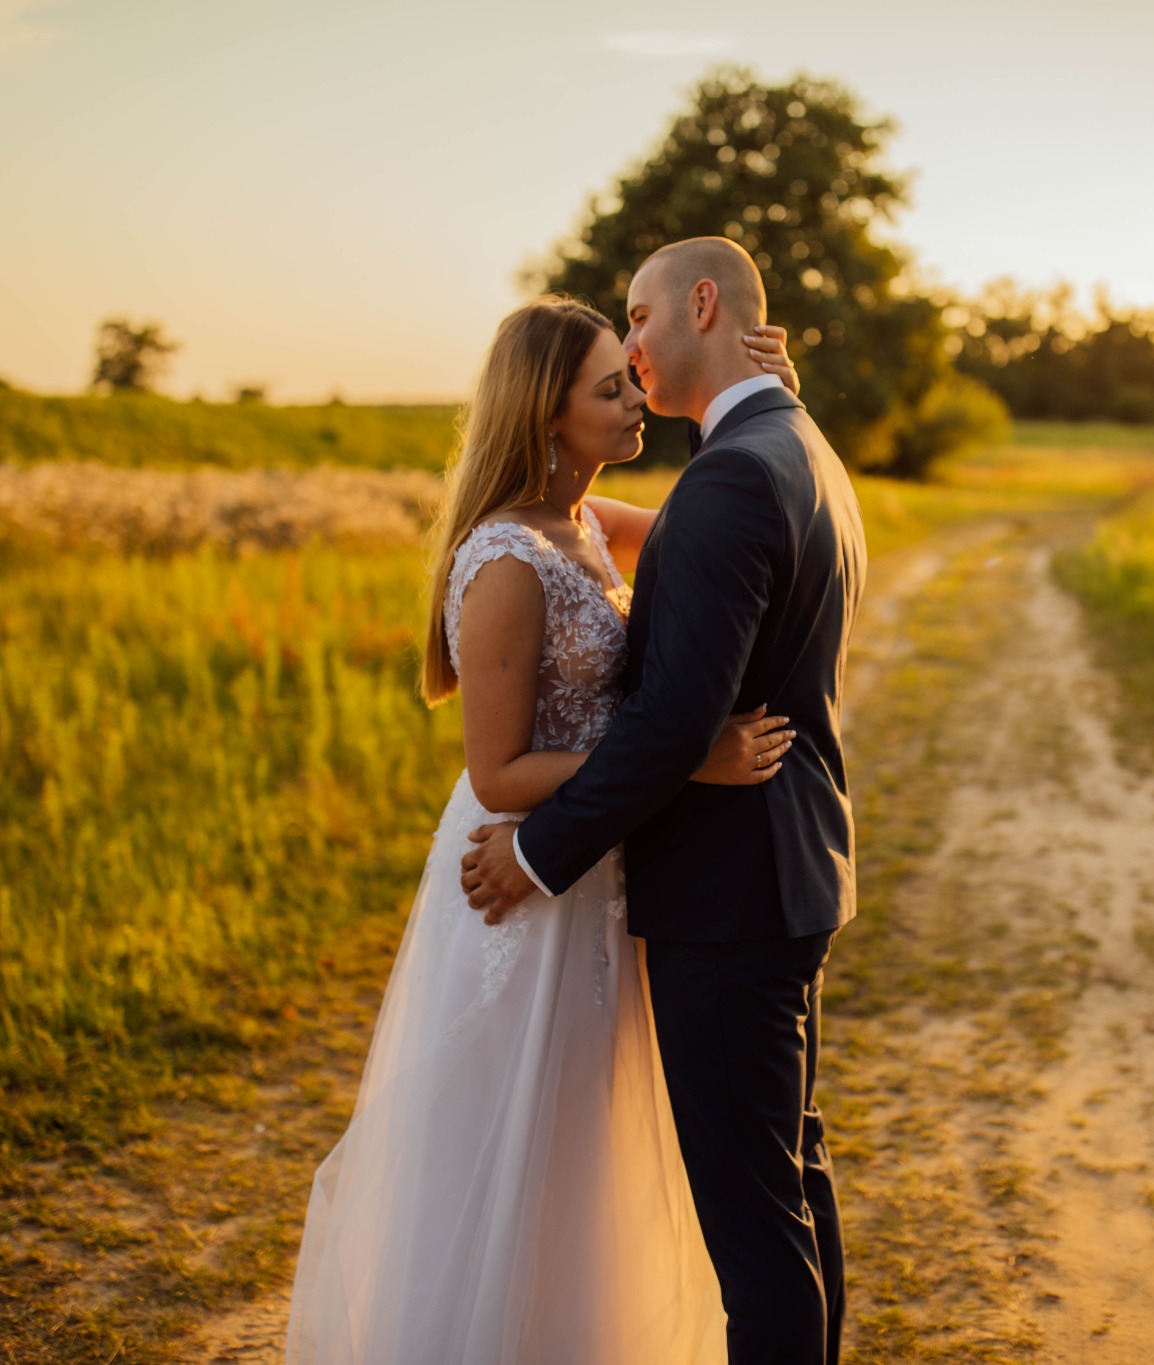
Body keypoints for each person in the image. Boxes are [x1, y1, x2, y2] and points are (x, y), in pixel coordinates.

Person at [282, 294, 802, 1363]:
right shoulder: (508, 560)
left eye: (632, 378)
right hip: (520, 878)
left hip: (598, 869)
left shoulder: (588, 523)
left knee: (587, 1145)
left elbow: (732, 517)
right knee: (509, 1138)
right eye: (611, 388)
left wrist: (765, 398)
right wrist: (688, 759)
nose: (636, 400)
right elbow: (498, 772)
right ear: (544, 413)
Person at [463, 236, 867, 1365]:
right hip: (780, 875)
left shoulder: (734, 472)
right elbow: (683, 555)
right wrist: (765, 386)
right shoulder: (791, 442)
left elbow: (673, 722)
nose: (633, 349)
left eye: (638, 320)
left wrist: (533, 854)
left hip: (728, 895)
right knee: (786, 1180)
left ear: (700, 303)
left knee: (755, 1224)